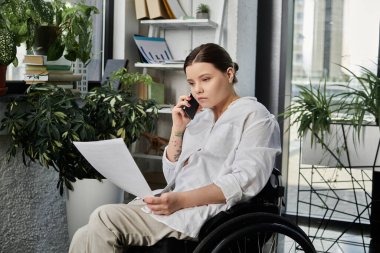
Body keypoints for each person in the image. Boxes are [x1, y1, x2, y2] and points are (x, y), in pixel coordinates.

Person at [69, 43, 281, 252]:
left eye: (205, 79)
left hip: (206, 213)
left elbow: (244, 181)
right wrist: (178, 129)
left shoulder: (256, 116)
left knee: (104, 216)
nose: (197, 89)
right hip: (172, 202)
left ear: (229, 73)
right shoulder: (200, 118)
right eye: (191, 83)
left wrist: (181, 201)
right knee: (83, 235)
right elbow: (172, 175)